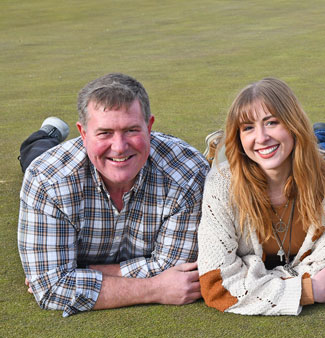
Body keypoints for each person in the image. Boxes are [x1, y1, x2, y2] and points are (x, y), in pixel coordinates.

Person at [18, 73, 209, 317]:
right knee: (34, 155)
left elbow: (178, 270)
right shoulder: (47, 178)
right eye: (104, 132)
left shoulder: (188, 173)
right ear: (83, 134)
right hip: (50, 160)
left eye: (131, 130)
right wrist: (155, 288)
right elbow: (51, 287)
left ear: (149, 127)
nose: (119, 146)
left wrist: (77, 271)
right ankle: (48, 133)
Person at [197, 78, 325, 315]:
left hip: (312, 158)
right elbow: (217, 285)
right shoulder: (220, 185)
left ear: (293, 124)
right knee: (226, 159)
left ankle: (320, 135)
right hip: (238, 162)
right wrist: (305, 289)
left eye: (271, 123)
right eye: (247, 127)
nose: (261, 136)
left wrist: (252, 277)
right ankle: (220, 145)